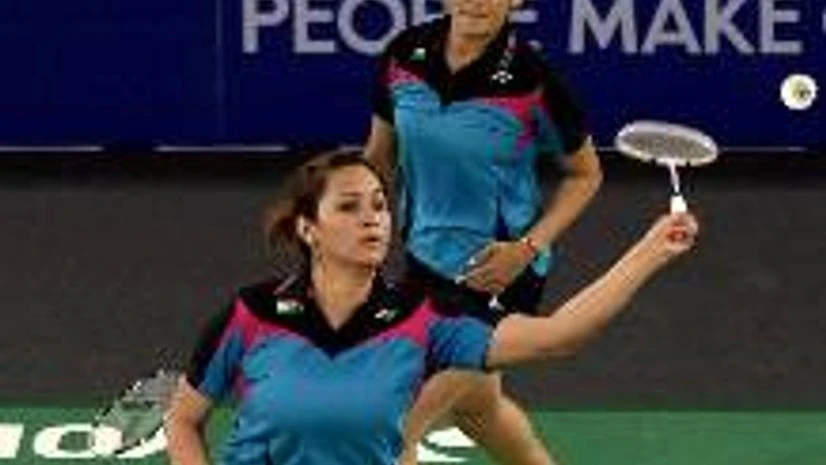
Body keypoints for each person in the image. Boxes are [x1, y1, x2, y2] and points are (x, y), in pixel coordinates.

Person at [165, 151, 697, 465]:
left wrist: (651, 251)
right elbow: (184, 421)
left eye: (379, 205)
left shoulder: (424, 317)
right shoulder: (252, 313)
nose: (372, 218)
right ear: (309, 229)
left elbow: (559, 336)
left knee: (484, 403)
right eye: (348, 207)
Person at [364, 0, 602, 463]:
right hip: (422, 258)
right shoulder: (404, 54)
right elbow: (378, 157)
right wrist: (343, 229)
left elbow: (585, 174)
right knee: (478, 409)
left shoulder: (532, 79)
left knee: (396, 425)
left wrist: (527, 247)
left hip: (496, 273)